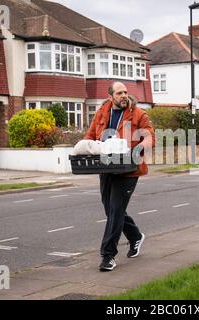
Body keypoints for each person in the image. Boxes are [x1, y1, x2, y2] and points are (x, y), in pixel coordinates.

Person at [84, 82, 155, 271]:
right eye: (119, 93)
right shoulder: (101, 113)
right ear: (110, 97)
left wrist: (140, 147)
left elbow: (149, 136)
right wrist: (82, 149)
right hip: (106, 168)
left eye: (125, 92)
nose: (124, 95)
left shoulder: (139, 114)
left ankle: (108, 256)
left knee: (115, 210)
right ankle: (136, 236)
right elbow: (90, 137)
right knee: (111, 211)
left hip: (129, 169)